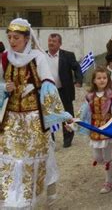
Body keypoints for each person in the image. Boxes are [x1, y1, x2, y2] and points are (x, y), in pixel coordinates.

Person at [0, 18, 72, 208]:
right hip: (11, 119)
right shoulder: (4, 58)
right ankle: (10, 196)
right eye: (9, 37)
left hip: (33, 118)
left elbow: (48, 83)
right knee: (10, 158)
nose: (12, 41)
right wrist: (4, 88)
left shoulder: (38, 57)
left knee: (33, 158)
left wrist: (59, 115)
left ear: (26, 38)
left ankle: (33, 196)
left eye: (16, 37)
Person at [78, 67, 112, 194]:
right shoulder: (89, 96)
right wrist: (75, 121)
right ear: (94, 80)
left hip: (107, 129)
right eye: (99, 78)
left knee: (106, 156)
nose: (102, 80)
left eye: (104, 78)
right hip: (95, 129)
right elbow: (84, 111)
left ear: (107, 79)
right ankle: (110, 165)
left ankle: (108, 182)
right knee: (97, 157)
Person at [47, 33, 83, 148]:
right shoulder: (42, 56)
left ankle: (68, 138)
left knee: (67, 114)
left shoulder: (68, 56)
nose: (51, 43)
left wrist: (78, 80)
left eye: (54, 41)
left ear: (60, 44)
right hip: (48, 92)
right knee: (48, 115)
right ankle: (50, 140)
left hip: (64, 90)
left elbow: (77, 68)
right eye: (50, 40)